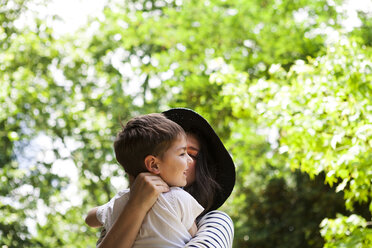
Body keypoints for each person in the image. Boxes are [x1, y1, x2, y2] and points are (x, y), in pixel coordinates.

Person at [85, 108, 236, 248]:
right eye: (181, 153)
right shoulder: (122, 208)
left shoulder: (216, 222)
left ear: (203, 167)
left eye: (190, 153)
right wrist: (136, 205)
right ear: (153, 163)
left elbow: (91, 218)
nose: (187, 160)